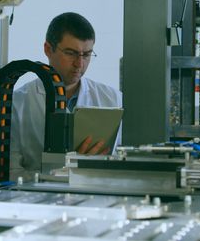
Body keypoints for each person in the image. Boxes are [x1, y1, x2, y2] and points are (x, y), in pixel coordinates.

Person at [10, 12, 122, 181]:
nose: (79, 64)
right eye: (71, 53)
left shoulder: (112, 98)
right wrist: (63, 172)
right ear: (48, 49)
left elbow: (121, 163)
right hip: (37, 200)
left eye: (86, 54)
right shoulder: (17, 103)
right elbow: (11, 173)